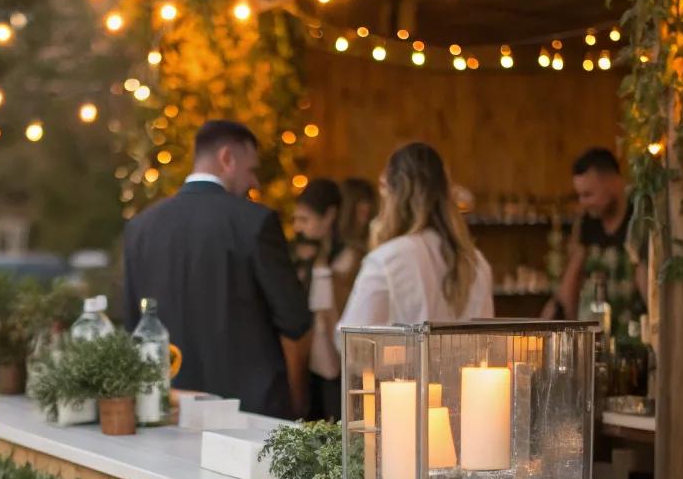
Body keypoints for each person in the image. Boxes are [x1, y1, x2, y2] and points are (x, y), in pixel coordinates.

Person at [122, 120, 312, 419]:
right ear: (227, 158)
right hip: (248, 414)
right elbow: (296, 320)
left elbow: (134, 326)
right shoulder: (255, 223)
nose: (255, 183)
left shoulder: (140, 228)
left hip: (171, 410)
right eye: (251, 170)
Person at [338, 141, 494, 328]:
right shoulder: (476, 262)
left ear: (393, 195)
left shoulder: (387, 259)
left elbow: (352, 335)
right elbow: (487, 338)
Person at [541, 147, 646, 336]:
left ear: (613, 183)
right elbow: (570, 283)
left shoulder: (639, 219)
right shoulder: (588, 222)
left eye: (588, 194)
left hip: (631, 337)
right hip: (592, 337)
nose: (583, 203)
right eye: (579, 195)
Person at [291, 177, 350, 420]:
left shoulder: (347, 258)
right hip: (305, 357)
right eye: (295, 219)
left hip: (334, 357)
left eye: (305, 219)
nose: (297, 227)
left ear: (329, 216)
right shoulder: (298, 255)